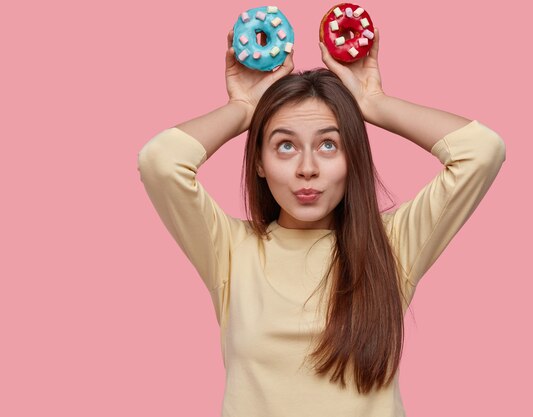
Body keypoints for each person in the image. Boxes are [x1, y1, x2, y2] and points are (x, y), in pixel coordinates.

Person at [137, 27, 505, 417]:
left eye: (329, 145)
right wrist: (245, 108)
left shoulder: (392, 246)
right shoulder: (230, 251)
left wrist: (372, 102)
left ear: (353, 158)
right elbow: (161, 162)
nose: (307, 169)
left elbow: (481, 151)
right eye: (285, 146)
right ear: (259, 162)